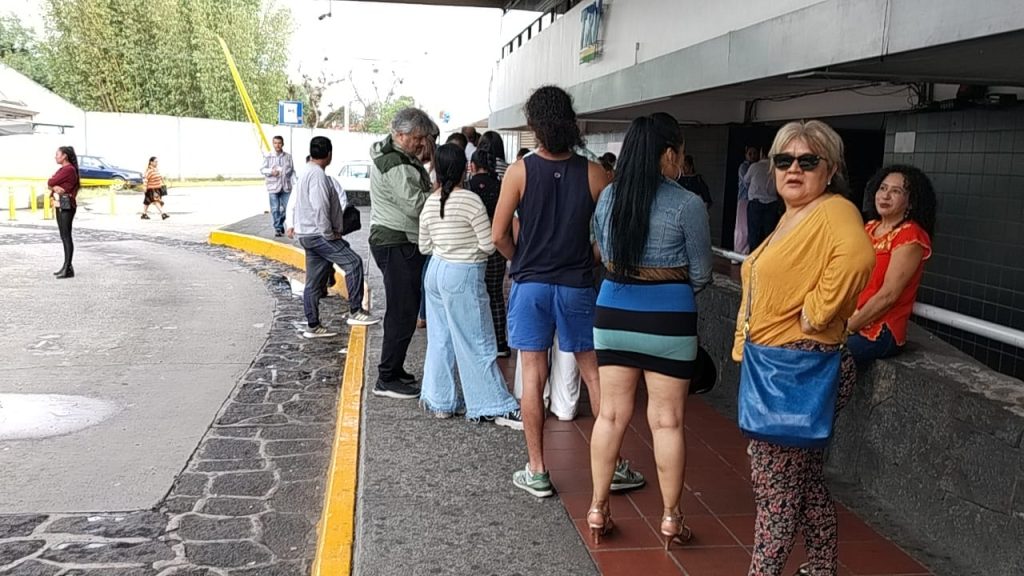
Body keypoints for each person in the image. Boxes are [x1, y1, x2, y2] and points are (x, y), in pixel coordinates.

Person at [732, 120, 874, 576]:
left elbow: (858, 258)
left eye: (808, 161)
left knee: (775, 492)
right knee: (805, 482)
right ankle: (822, 566)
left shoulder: (834, 210)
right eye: (784, 160)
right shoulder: (795, 215)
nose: (794, 169)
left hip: (797, 368)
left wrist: (817, 312)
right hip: (781, 366)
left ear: (830, 170)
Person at [493, 85, 644, 498]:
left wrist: (522, 259)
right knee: (593, 373)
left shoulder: (520, 171)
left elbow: (498, 235)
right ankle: (613, 466)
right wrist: (588, 257)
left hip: (530, 286)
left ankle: (538, 470)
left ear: (534, 125)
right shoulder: (595, 174)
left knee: (533, 375)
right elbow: (609, 239)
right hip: (576, 286)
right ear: (571, 122)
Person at [587, 113, 713, 549]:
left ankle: (598, 508)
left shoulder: (609, 197)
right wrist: (667, 289)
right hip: (669, 318)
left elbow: (603, 253)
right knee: (667, 421)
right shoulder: (687, 204)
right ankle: (671, 518)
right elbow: (702, 274)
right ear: (669, 153)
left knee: (610, 415)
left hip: (613, 312)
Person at [417, 143, 522, 427]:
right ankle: (491, 403)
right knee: (477, 339)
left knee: (440, 338)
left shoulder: (430, 202)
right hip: (463, 273)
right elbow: (488, 244)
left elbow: (424, 246)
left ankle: (440, 401)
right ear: (465, 169)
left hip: (436, 272)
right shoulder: (470, 201)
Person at [369, 107, 438, 399]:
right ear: (400, 135)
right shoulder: (395, 163)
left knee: (405, 309)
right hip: (397, 241)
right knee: (402, 311)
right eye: (417, 138)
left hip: (396, 240)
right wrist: (439, 192)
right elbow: (415, 205)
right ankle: (386, 377)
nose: (421, 144)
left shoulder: (397, 156)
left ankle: (394, 370)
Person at [290, 136, 379, 339]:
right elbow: (320, 207)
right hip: (318, 234)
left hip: (307, 233)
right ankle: (356, 311)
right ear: (329, 154)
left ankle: (313, 324)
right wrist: (330, 234)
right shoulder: (318, 176)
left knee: (314, 281)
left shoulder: (306, 172)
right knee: (353, 263)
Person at [846, 165, 936, 363]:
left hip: (880, 330)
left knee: (821, 355)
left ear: (910, 202)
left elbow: (888, 295)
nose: (885, 196)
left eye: (896, 191)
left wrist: (848, 327)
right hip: (850, 317)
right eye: (883, 188)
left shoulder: (910, 235)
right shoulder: (869, 227)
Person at [468, 148, 509, 357]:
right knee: (495, 294)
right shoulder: (502, 186)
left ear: (472, 166)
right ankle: (500, 342)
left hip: (475, 248)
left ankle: (481, 343)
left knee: (476, 296)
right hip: (498, 246)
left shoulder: (468, 187)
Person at [48, 146, 80, 279]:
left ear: (64, 156)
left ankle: (67, 267)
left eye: (57, 154)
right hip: (60, 204)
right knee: (64, 235)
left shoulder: (68, 169)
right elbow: (51, 184)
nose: (55, 157)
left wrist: (53, 185)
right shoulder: (63, 169)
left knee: (66, 236)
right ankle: (67, 267)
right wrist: (54, 187)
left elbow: (51, 181)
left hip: (66, 205)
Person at [744, 149, 780, 251]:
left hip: (756, 202)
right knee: (769, 233)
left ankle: (753, 257)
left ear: (761, 154)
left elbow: (746, 180)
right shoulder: (776, 169)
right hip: (772, 202)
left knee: (754, 233)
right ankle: (768, 256)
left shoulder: (754, 166)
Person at [261, 135, 295, 237]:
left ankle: (279, 223)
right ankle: (278, 228)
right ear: (273, 144)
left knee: (288, 208)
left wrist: (295, 183)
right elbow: (262, 169)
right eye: (275, 143)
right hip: (273, 187)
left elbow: (292, 171)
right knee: (275, 209)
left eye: (279, 143)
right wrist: (271, 171)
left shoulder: (288, 157)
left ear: (282, 144)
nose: (277, 145)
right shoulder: (268, 156)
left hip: (286, 187)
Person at [734, 146, 760, 255]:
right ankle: (738, 252)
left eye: (754, 153)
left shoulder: (758, 166)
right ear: (746, 155)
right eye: (750, 154)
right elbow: (747, 183)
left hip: (753, 200)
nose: (752, 156)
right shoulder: (743, 167)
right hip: (744, 199)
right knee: (742, 228)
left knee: (751, 228)